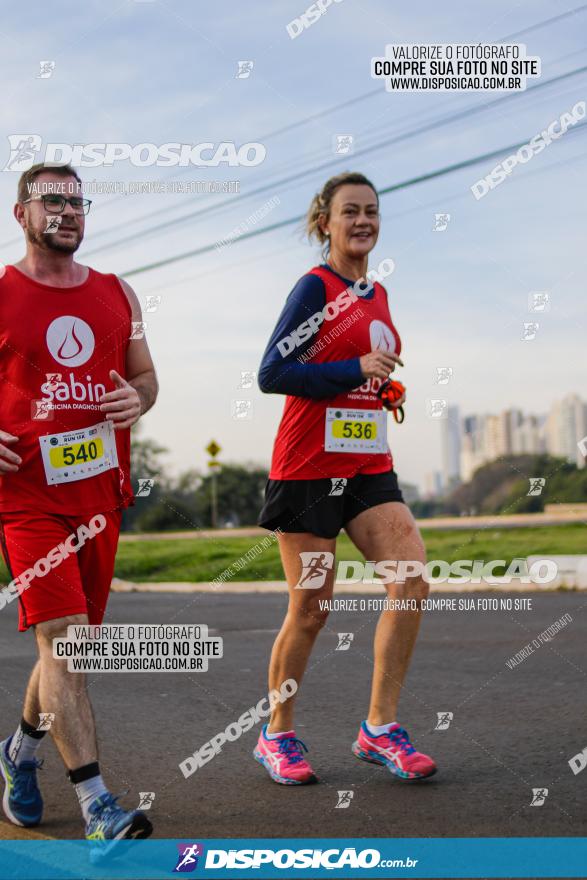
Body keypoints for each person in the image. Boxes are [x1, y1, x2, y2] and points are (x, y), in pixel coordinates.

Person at [254, 171, 436, 785]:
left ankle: (379, 729)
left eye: (372, 212)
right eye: (350, 212)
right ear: (324, 222)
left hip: (367, 467)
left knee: (410, 580)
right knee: (311, 610)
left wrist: (381, 385)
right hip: (308, 471)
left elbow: (359, 371)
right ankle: (276, 736)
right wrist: (351, 367)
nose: (363, 221)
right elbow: (273, 373)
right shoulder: (316, 288)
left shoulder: (376, 295)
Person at [0, 163, 158, 839]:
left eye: (76, 201)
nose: (66, 211)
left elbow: (146, 377)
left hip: (100, 493)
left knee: (69, 650)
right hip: (26, 499)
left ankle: (19, 753)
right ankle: (98, 806)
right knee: (63, 643)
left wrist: (138, 398)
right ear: (21, 214)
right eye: (51, 201)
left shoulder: (116, 292)